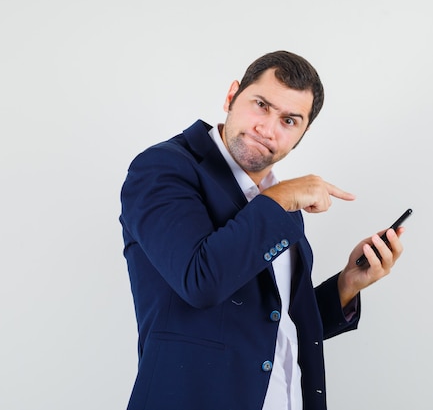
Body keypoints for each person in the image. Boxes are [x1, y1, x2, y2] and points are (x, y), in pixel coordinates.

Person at [119, 50, 405, 410]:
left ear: (302, 133)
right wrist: (279, 199)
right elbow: (200, 281)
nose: (267, 128)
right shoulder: (163, 168)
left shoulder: (278, 201)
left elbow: (274, 321)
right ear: (231, 96)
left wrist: (348, 284)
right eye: (261, 105)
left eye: (289, 120)